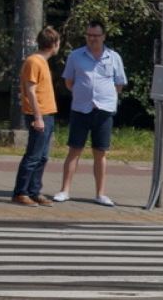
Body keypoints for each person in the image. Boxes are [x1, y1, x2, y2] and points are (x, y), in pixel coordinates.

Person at [53, 20, 127, 206]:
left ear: (104, 37)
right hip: (81, 108)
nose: (92, 39)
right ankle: (64, 190)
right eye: (89, 35)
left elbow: (119, 84)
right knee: (74, 150)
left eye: (96, 36)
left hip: (104, 110)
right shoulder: (76, 56)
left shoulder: (113, 57)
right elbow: (69, 81)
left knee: (100, 152)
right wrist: (82, 93)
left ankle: (100, 193)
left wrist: (104, 96)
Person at [10, 26, 61, 206]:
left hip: (48, 113)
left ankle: (34, 191)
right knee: (33, 155)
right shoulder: (34, 62)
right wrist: (38, 117)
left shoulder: (43, 62)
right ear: (54, 44)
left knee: (43, 156)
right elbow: (31, 91)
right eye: (58, 42)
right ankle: (21, 192)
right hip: (38, 114)